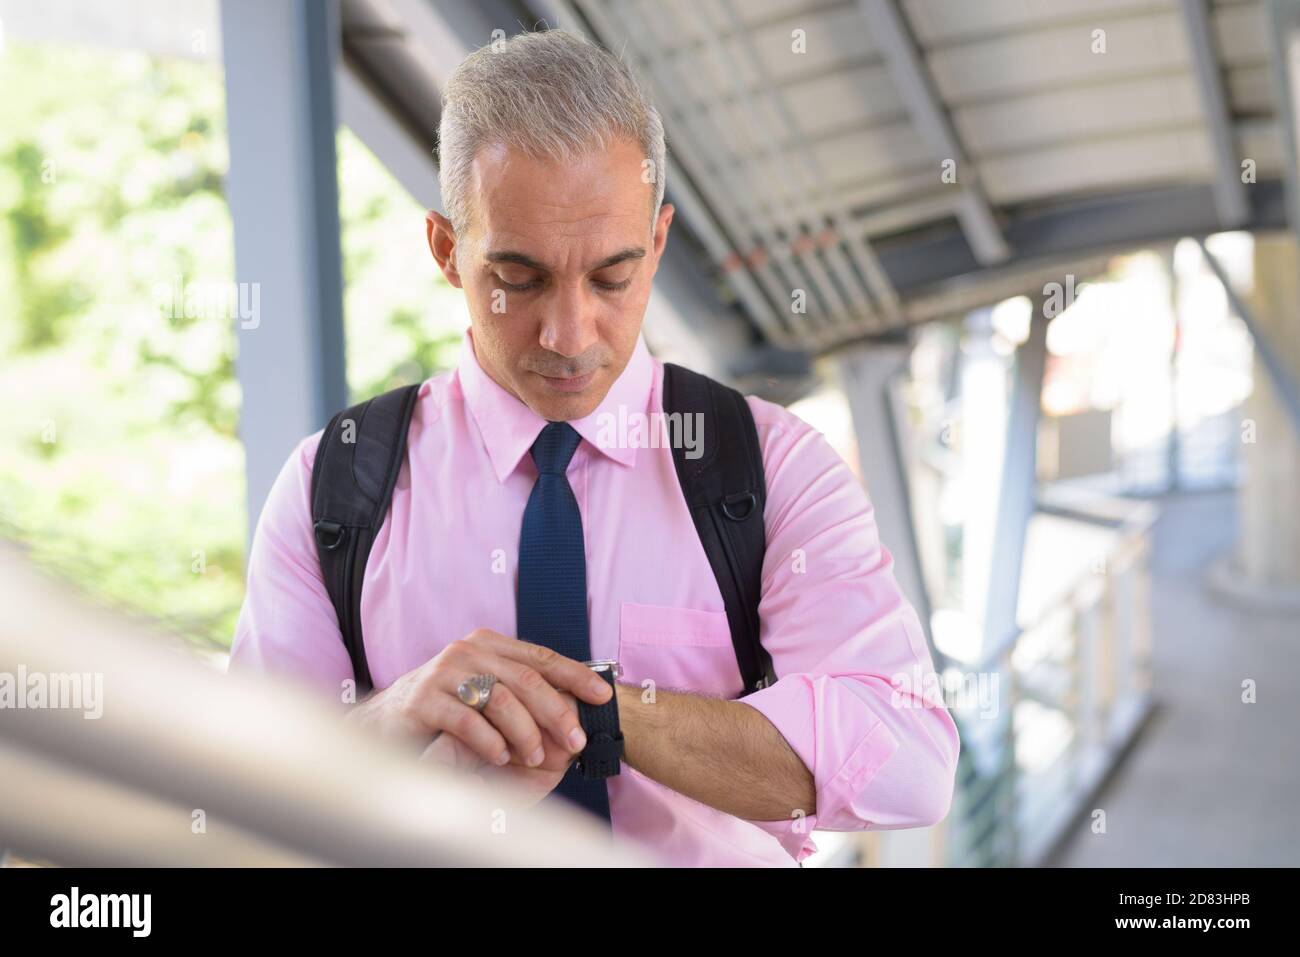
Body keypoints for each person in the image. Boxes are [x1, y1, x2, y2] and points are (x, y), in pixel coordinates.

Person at [231, 28, 959, 867]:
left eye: (612, 276)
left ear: (658, 243)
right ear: (446, 250)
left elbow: (912, 762)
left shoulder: (775, 469)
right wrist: (393, 717)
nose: (569, 334)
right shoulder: (335, 487)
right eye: (519, 278)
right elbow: (242, 801)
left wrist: (607, 712)